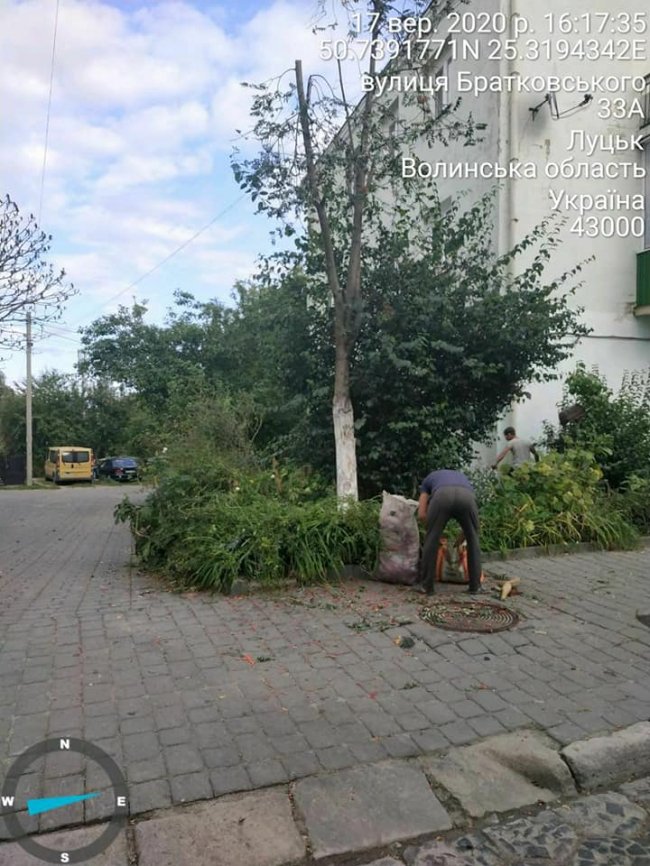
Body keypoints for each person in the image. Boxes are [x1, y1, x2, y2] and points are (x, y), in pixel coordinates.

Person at [415, 469, 483, 595]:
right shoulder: (463, 478)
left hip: (442, 496)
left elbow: (421, 515)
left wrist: (433, 531)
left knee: (431, 539)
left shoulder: (427, 482)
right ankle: (475, 586)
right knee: (473, 538)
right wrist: (463, 536)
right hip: (466, 497)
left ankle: (427, 587)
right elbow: (475, 526)